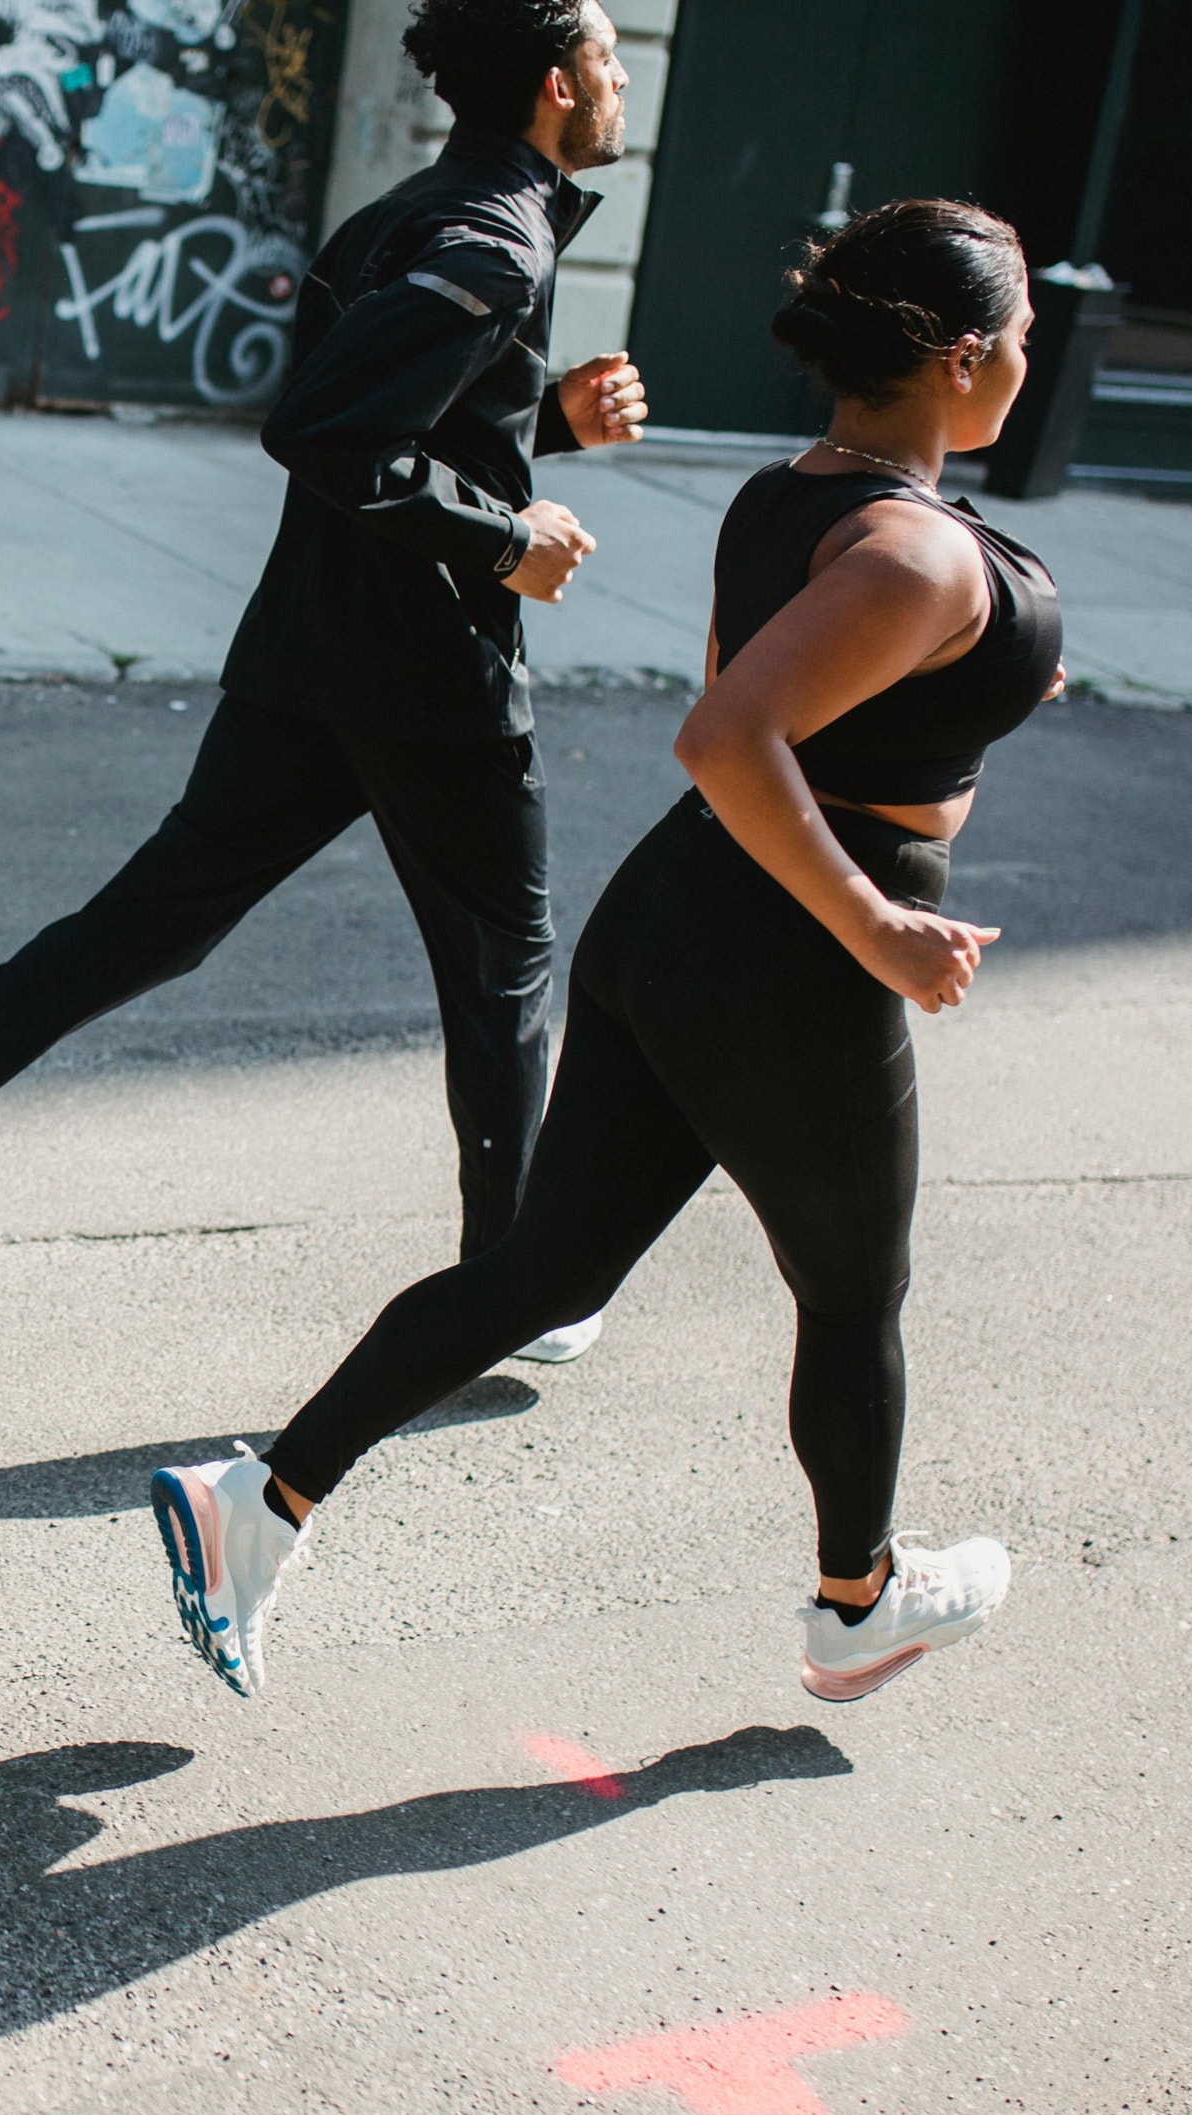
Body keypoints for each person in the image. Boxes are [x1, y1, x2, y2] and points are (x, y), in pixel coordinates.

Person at [151, 198, 1067, 1707]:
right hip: (788, 953)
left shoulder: (802, 495)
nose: (1030, 360)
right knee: (851, 1298)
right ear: (965, 360)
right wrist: (884, 926)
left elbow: (800, 700)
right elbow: (725, 732)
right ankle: (860, 1602)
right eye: (1023, 339)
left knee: (545, 1267)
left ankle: (258, 1504)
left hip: (677, 921)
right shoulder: (911, 556)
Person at [0, 0, 649, 1359]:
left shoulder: (402, 217)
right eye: (607, 57)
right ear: (555, 86)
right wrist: (509, 538)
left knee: (152, 922)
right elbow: (323, 430)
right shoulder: (493, 240)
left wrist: (549, 428)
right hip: (429, 680)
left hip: (315, 660)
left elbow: (396, 417)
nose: (617, 81)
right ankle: (519, 1286)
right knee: (506, 970)